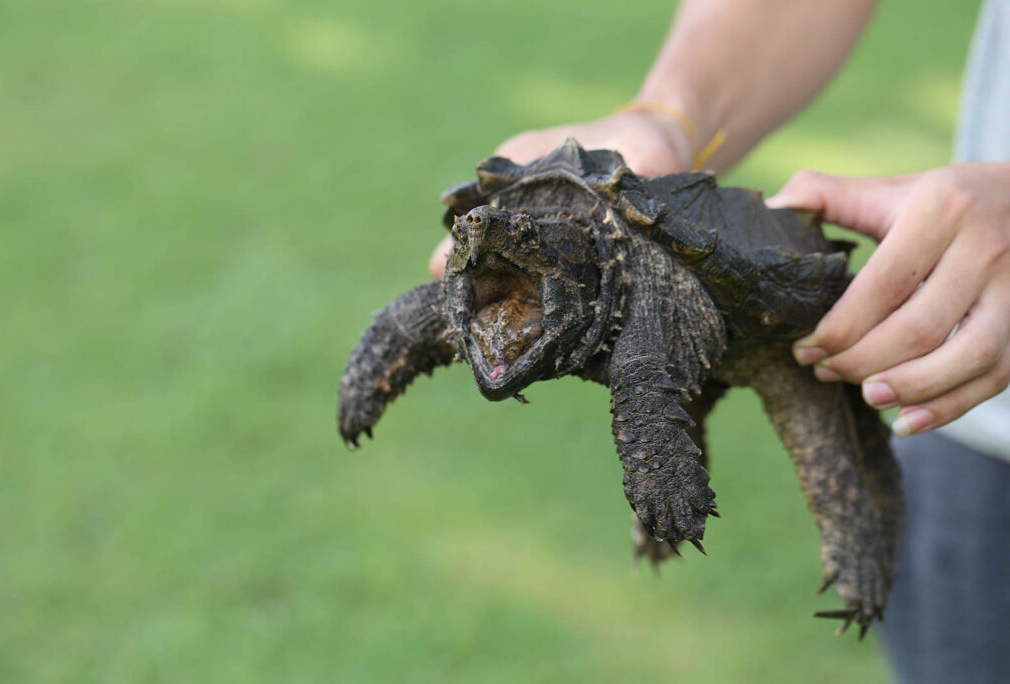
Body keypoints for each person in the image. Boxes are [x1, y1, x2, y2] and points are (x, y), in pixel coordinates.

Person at [428, 1, 1010, 682]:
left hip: (869, 322)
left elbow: (646, 375)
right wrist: (669, 115)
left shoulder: (643, 302)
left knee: (777, 413)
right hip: (968, 371)